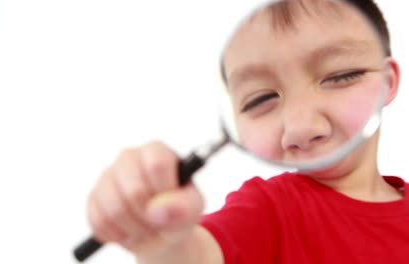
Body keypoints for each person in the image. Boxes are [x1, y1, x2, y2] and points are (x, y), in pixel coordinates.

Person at [86, 0, 408, 263]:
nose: (300, 128)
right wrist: (167, 244)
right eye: (261, 99)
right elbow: (199, 253)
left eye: (340, 76)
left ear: (387, 82)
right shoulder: (268, 210)